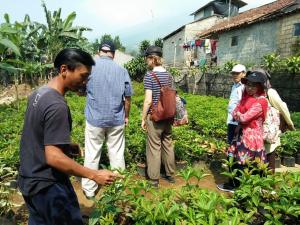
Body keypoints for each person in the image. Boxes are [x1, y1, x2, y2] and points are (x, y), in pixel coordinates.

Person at [18, 48, 119, 225]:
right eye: (83, 76)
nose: (85, 82)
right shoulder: (57, 105)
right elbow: (54, 157)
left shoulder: (38, 93)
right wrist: (94, 175)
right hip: (48, 185)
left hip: (28, 180)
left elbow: (35, 133)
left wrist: (64, 144)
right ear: (64, 70)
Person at [82, 40, 133, 198]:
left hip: (94, 120)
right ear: (114, 54)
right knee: (117, 155)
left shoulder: (90, 69)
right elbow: (128, 98)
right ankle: (118, 188)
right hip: (116, 120)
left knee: (92, 154)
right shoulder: (122, 70)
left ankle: (89, 191)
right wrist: (126, 116)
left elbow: (81, 90)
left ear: (99, 52)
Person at [218, 71, 268, 193]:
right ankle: (238, 187)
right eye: (248, 84)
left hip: (252, 138)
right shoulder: (246, 98)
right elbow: (234, 112)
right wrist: (239, 115)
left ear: (260, 86)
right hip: (241, 135)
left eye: (253, 85)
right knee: (238, 160)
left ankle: (253, 188)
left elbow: (244, 118)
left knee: (248, 162)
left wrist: (239, 115)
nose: (249, 88)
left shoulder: (261, 101)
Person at [141, 45, 176, 187]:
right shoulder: (169, 75)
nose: (146, 61)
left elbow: (148, 100)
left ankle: (154, 179)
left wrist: (143, 118)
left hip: (155, 117)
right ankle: (170, 175)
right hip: (168, 115)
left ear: (151, 59)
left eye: (146, 59)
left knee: (154, 146)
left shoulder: (149, 76)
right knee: (167, 144)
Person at [256, 69, 295, 173]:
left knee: (268, 154)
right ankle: (260, 182)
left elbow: (282, 108)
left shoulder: (269, 92)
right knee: (262, 156)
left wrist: (289, 124)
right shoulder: (254, 91)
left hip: (269, 130)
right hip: (258, 130)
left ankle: (268, 183)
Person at [227, 64, 246, 144]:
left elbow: (245, 105)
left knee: (237, 143)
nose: (235, 75)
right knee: (230, 142)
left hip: (238, 122)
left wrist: (240, 123)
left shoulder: (245, 87)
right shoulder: (235, 85)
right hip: (231, 119)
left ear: (244, 74)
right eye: (233, 73)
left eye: (237, 73)